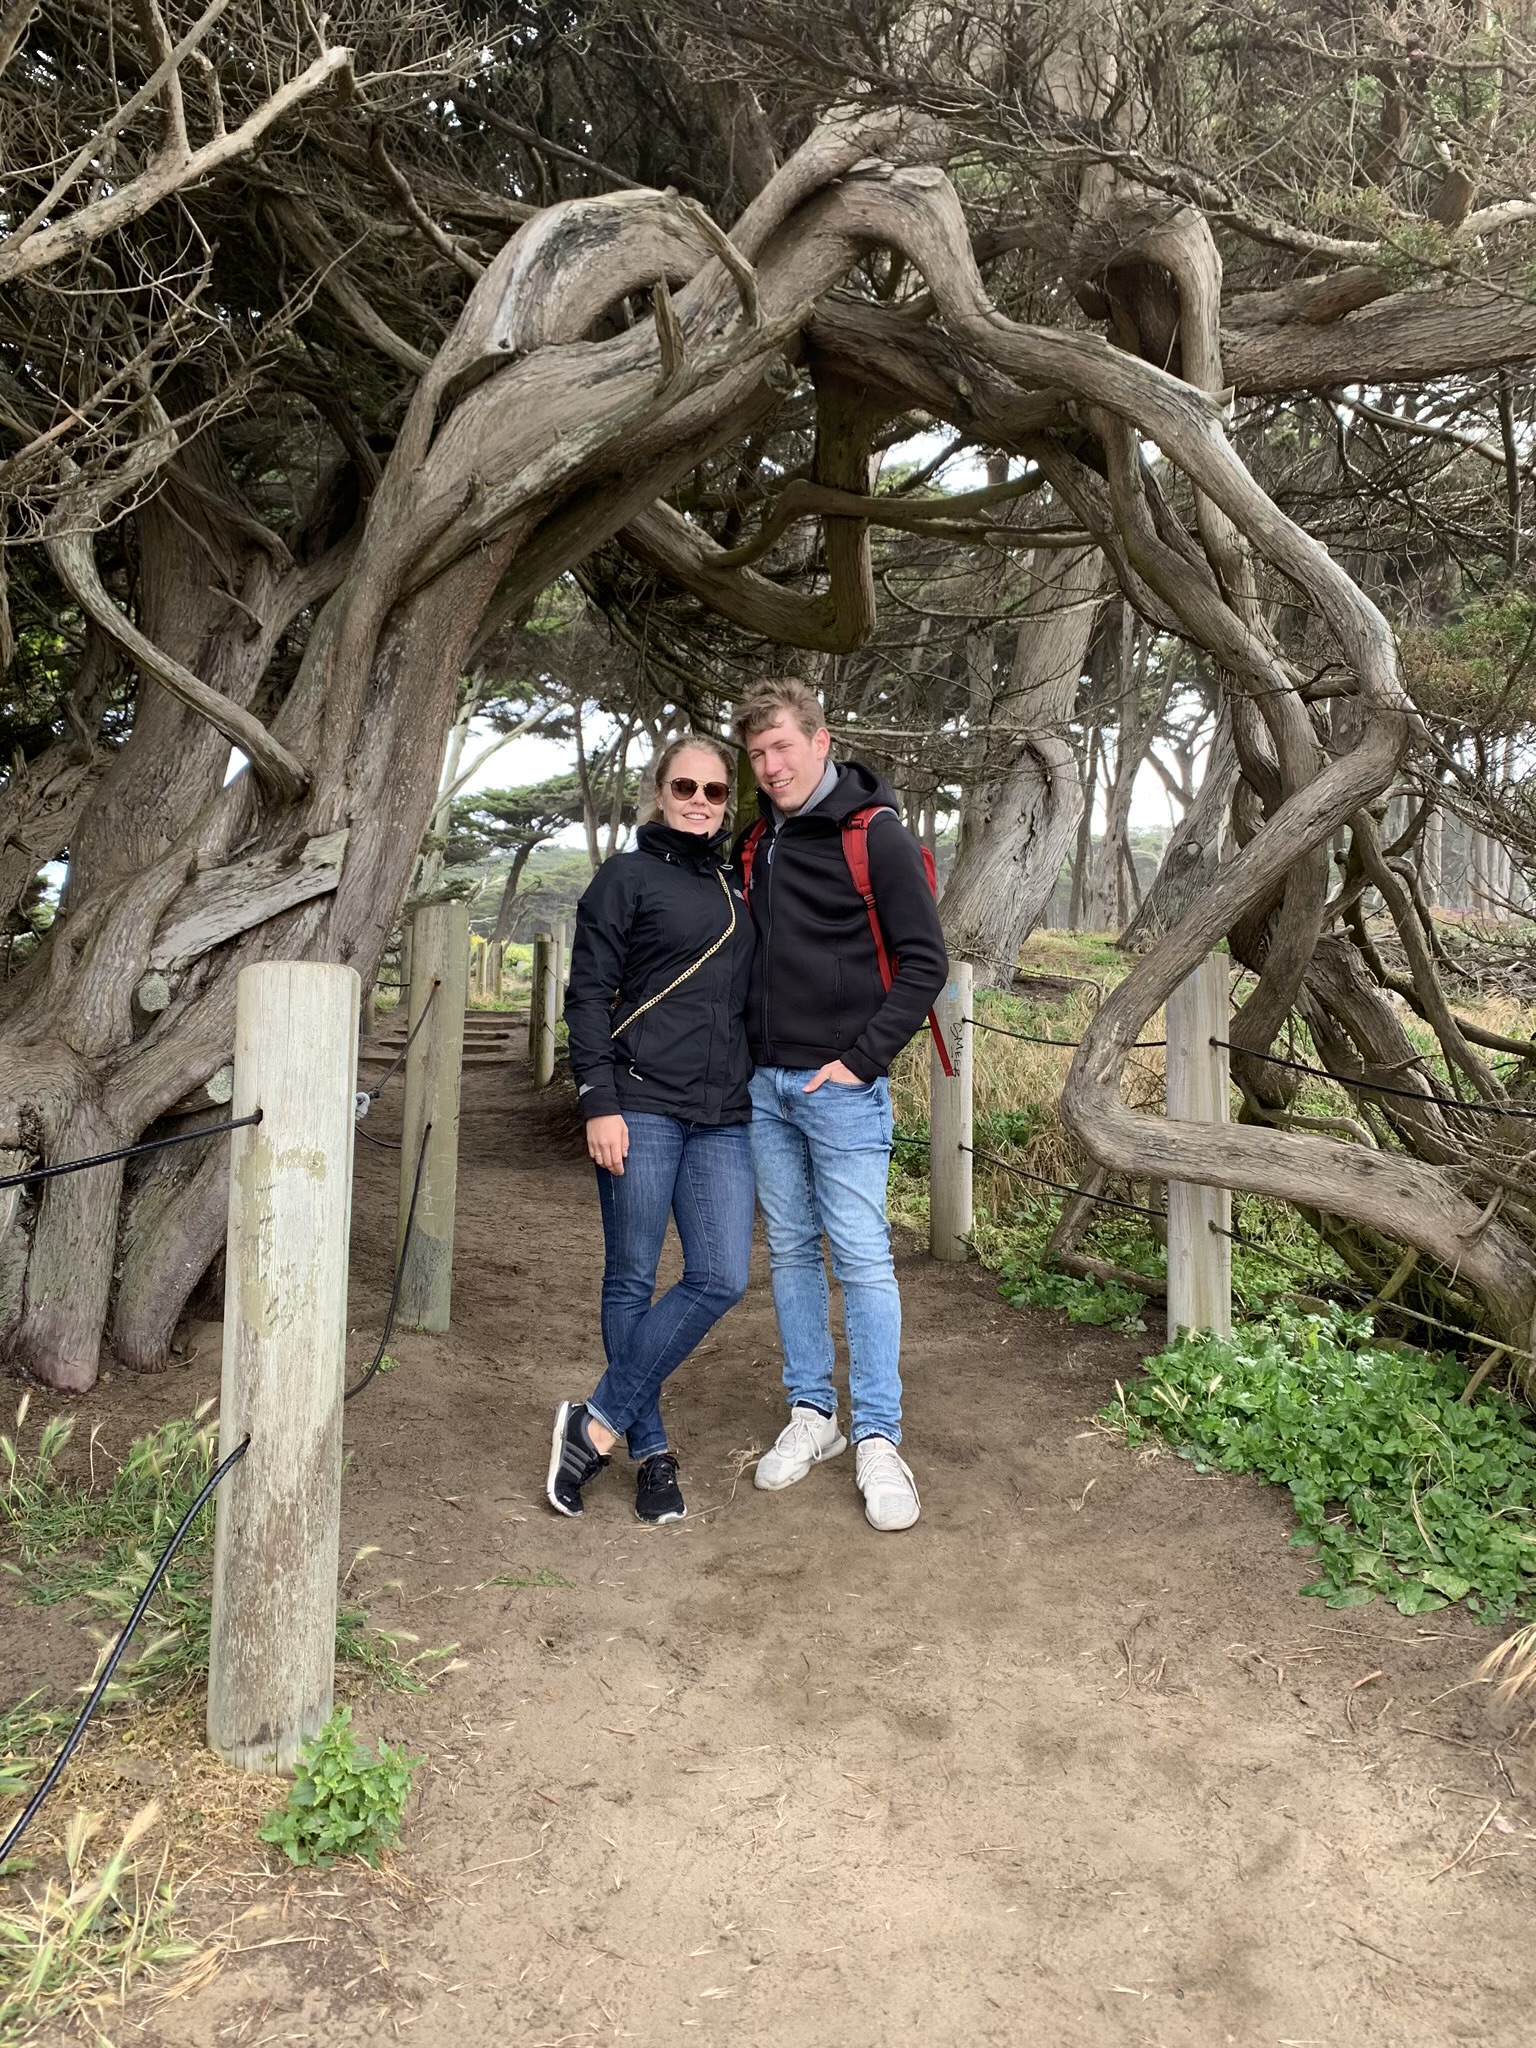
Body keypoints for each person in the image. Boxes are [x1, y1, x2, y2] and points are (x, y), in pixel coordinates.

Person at [733, 677, 948, 1532]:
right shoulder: (757, 841)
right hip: (765, 1087)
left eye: (783, 746)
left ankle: (879, 1437)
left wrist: (860, 1062)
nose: (771, 765)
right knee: (790, 1252)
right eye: (758, 753)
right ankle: (814, 1415)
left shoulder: (876, 835)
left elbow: (926, 963)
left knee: (860, 1258)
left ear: (821, 742)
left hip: (843, 1090)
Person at [548, 734, 755, 1525]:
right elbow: (587, 995)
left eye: (713, 790)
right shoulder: (624, 877)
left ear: (728, 800)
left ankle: (595, 1422)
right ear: (659, 792)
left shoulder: (740, 886)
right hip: (639, 1104)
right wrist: (597, 1099)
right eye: (684, 787)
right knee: (632, 1279)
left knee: (721, 1276)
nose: (699, 802)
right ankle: (653, 1452)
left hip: (724, 1114)